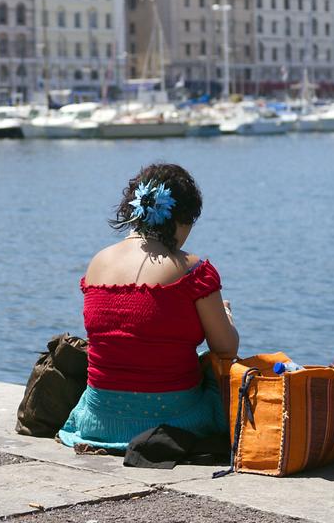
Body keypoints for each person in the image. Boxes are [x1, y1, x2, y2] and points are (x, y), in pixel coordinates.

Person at [58, 163, 239, 452]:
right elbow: (226, 347)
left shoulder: (97, 264)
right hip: (173, 421)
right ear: (181, 219)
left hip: (98, 419)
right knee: (217, 374)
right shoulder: (193, 271)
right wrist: (226, 316)